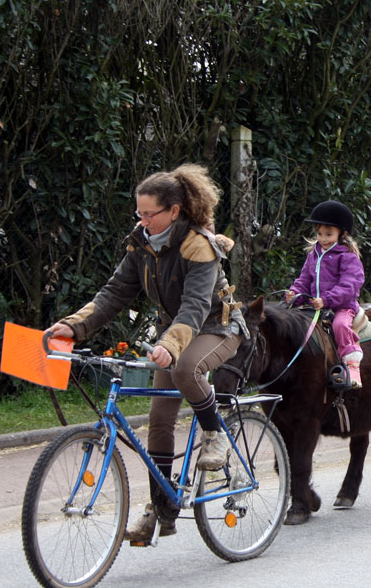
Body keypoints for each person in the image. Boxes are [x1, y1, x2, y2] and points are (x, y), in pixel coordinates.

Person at [46, 163, 246, 544]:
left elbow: (194, 306)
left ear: (174, 211)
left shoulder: (198, 245)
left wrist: (169, 346)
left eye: (149, 214)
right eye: (138, 213)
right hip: (175, 333)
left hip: (217, 328)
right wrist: (74, 326)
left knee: (187, 369)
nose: (143, 221)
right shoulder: (140, 243)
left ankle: (213, 432)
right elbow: (115, 292)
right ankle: (161, 509)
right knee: (159, 418)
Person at [284, 200, 365, 388]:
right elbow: (305, 279)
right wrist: (295, 294)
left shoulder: (347, 256)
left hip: (341, 306)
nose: (323, 239)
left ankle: (352, 368)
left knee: (340, 326)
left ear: (342, 233)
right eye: (320, 234)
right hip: (316, 306)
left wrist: (327, 299)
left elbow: (350, 284)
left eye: (329, 234)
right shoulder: (314, 254)